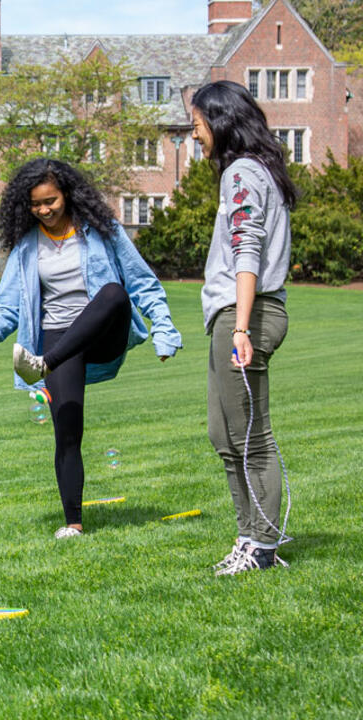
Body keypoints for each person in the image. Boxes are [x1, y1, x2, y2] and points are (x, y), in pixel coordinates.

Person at [0, 158, 182, 539]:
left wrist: (164, 330)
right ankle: (74, 524)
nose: (44, 210)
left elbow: (142, 284)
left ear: (68, 194)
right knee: (67, 429)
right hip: (57, 339)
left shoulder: (101, 231)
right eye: (35, 204)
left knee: (114, 293)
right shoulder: (27, 246)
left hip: (102, 334)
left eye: (51, 200)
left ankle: (44, 365)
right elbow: (8, 307)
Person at [190, 81, 296, 575]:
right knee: (224, 434)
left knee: (251, 437)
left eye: (197, 125)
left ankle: (262, 547)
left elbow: (246, 249)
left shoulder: (240, 173)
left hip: (243, 315)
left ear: (221, 121)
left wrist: (242, 326)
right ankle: (248, 537)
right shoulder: (256, 171)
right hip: (234, 314)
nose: (196, 135)